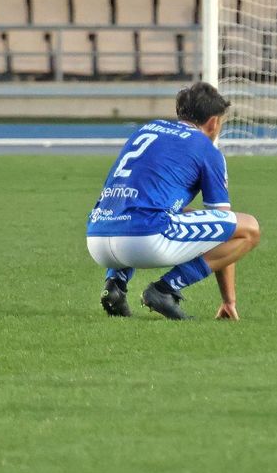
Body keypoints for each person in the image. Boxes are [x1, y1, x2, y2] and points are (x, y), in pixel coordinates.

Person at [88, 82, 261, 321]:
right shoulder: (207, 150)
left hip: (97, 238)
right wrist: (228, 300)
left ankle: (115, 284)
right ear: (214, 122)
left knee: (155, 208)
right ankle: (165, 289)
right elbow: (225, 226)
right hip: (144, 240)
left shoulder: (147, 130)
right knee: (249, 228)